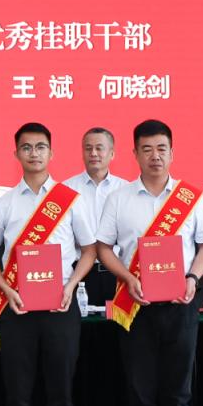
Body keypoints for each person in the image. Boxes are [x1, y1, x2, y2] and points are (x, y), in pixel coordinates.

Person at [96, 119, 203, 406]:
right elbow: (103, 248)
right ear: (134, 154)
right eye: (146, 149)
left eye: (161, 148)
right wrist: (126, 278)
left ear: (172, 152)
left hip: (180, 306)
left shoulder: (190, 198)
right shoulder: (119, 199)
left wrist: (193, 277)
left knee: (177, 391)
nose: (155, 156)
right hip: (136, 307)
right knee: (141, 392)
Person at [0, 122, 96, 406]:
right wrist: (6, 288)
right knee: (19, 396)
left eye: (40, 147)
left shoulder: (70, 200)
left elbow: (89, 251)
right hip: (17, 309)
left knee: (61, 394)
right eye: (26, 147)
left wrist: (71, 283)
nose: (34, 153)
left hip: (61, 306)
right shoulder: (3, 205)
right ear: (16, 154)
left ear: (51, 152)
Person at [63, 127, 128, 305]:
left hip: (118, 272)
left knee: (117, 322)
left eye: (99, 148)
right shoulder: (65, 189)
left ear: (112, 153)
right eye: (88, 148)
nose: (93, 153)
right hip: (79, 273)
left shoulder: (126, 190)